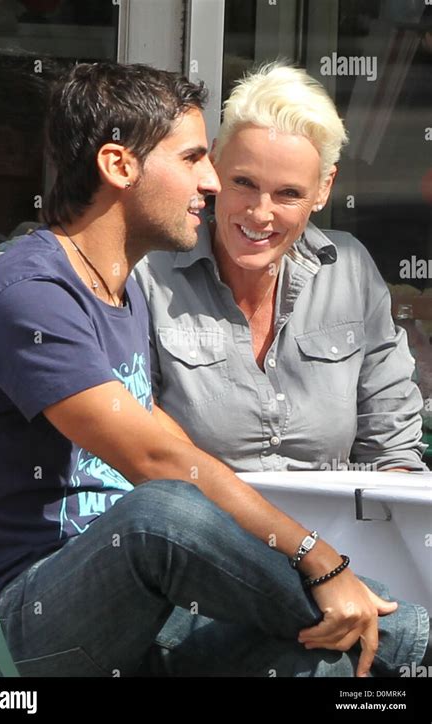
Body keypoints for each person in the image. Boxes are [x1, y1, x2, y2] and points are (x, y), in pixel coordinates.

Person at [0, 62, 429, 679]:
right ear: (119, 166)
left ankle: (394, 637)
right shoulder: (32, 292)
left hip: (146, 604)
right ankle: (415, 638)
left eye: (287, 191)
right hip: (24, 624)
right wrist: (321, 560)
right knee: (161, 511)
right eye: (193, 159)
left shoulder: (121, 286)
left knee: (325, 661)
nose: (210, 184)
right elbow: (156, 463)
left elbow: (167, 440)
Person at [133, 62, 428, 474]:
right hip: (196, 530)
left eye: (288, 193)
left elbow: (393, 451)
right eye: (244, 183)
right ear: (214, 163)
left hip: (333, 535)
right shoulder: (148, 276)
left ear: (324, 188)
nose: (260, 213)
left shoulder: (349, 271)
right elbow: (136, 447)